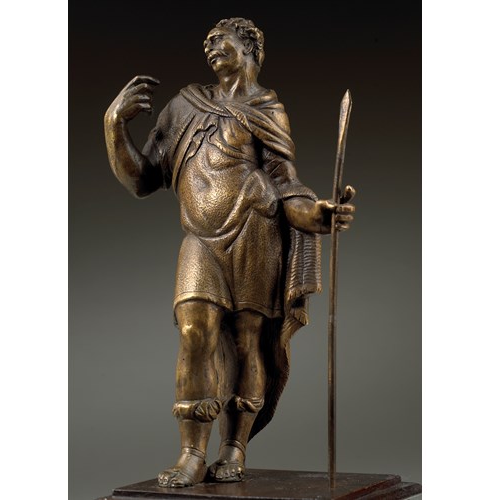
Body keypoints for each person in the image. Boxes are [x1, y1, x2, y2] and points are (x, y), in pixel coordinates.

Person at [104, 17, 355, 488]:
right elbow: (141, 179)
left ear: (250, 48)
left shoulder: (268, 109)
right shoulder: (184, 106)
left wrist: (317, 215)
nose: (210, 46)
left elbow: (286, 185)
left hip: (256, 233)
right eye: (207, 41)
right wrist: (114, 124)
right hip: (199, 239)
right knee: (194, 331)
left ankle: (234, 447)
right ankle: (191, 452)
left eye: (221, 39)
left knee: (247, 341)